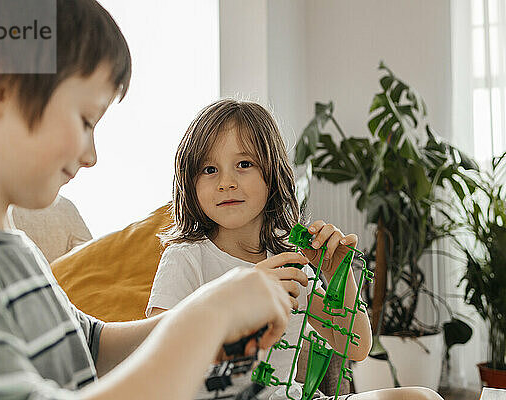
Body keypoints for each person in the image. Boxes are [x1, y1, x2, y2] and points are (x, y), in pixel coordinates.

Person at [0, 1, 307, 399]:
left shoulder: (14, 247)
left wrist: (210, 313)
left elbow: (94, 347)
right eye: (85, 120)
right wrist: (206, 319)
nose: (91, 156)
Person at [146, 99, 442, 400]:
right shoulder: (186, 259)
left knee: (422, 397)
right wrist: (235, 302)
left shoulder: (287, 259)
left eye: (244, 164)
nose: (226, 182)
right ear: (190, 182)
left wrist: (337, 273)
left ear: (272, 175)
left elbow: (355, 345)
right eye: (209, 169)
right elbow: (155, 362)